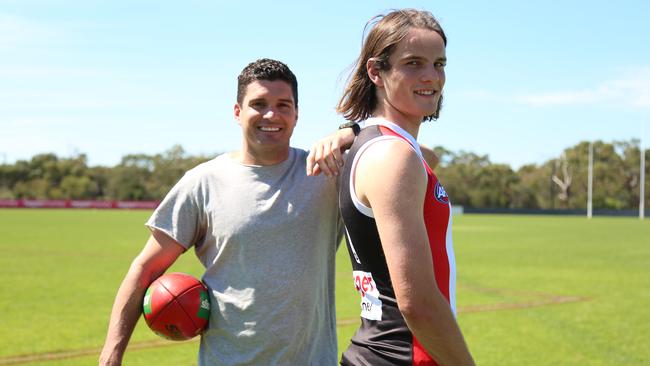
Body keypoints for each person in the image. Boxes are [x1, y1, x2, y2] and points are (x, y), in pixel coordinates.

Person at [99, 59, 351, 366]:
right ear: (237, 112)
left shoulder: (329, 171)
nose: (271, 114)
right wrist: (111, 355)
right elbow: (145, 270)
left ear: (296, 114)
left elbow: (418, 158)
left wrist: (350, 134)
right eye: (258, 104)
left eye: (283, 105)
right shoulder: (203, 182)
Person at [336, 9, 475, 366]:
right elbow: (417, 303)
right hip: (403, 357)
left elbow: (426, 155)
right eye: (413, 63)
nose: (431, 77)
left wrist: (349, 132)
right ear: (375, 72)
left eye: (439, 63)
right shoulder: (393, 157)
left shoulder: (381, 145)